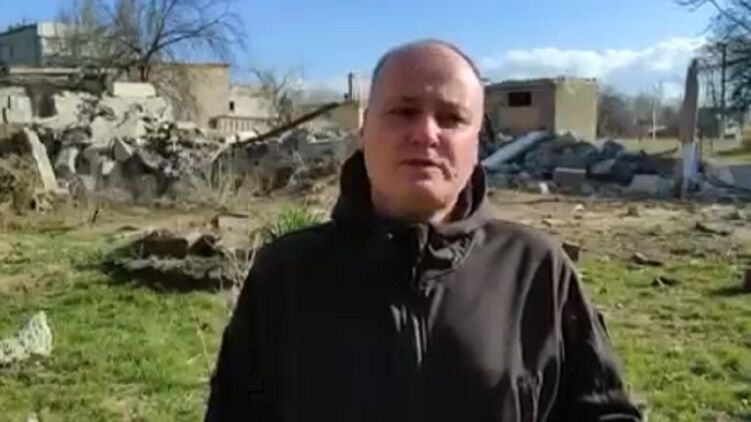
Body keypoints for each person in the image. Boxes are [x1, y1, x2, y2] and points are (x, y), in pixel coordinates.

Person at [205, 39, 642, 422]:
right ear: (364, 129)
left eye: (451, 117)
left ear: (477, 142)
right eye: (403, 111)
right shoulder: (286, 274)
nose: (426, 134)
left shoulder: (534, 270)